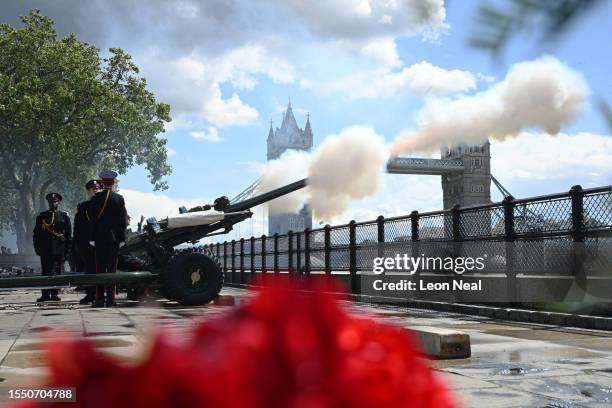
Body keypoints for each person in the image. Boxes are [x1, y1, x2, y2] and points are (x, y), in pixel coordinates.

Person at [89, 171, 128, 307]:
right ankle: (111, 299)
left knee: (99, 268)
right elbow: (122, 221)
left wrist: (92, 237)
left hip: (99, 238)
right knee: (112, 269)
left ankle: (100, 299)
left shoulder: (95, 198)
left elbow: (92, 220)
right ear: (114, 182)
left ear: (102, 182)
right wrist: (122, 238)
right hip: (114, 239)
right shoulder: (119, 198)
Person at [33, 193, 72, 302]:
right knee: (45, 272)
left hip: (59, 249)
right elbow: (36, 233)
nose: (53, 203)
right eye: (51, 202)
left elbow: (69, 235)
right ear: (48, 203)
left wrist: (67, 250)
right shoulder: (42, 216)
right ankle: (45, 294)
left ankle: (54, 294)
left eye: (55, 201)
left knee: (57, 272)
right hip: (45, 249)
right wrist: (37, 247)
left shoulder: (64, 216)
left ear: (58, 203)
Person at [74, 179, 103, 305]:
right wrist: (78, 243)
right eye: (92, 189)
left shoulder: (106, 205)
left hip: (102, 242)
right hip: (86, 244)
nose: (95, 190)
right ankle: (90, 294)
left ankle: (101, 295)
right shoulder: (82, 207)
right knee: (90, 269)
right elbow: (77, 226)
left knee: (102, 270)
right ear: (88, 191)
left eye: (97, 188)